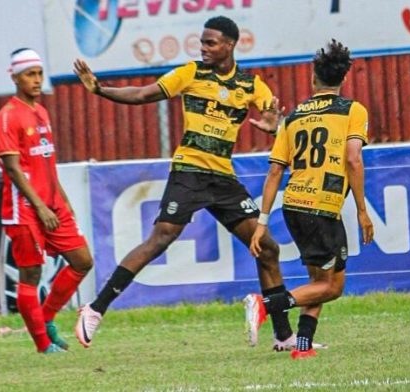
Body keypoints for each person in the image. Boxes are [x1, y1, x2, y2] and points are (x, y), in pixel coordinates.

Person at [73, 15, 296, 350]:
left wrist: (275, 125)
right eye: (202, 42)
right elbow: (143, 94)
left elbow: (276, 119)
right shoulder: (191, 73)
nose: (203, 48)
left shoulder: (251, 85)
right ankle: (95, 308)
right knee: (160, 239)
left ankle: (282, 335)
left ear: (230, 45)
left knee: (267, 248)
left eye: (211, 42)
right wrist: (100, 89)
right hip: (189, 172)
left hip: (223, 179)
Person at [244, 39, 374, 359]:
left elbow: (275, 172)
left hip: (294, 205)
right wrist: (361, 209)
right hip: (323, 207)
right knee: (332, 286)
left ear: (312, 77)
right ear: (343, 79)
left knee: (318, 279)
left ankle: (302, 347)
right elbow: (353, 159)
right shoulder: (353, 111)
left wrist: (261, 223)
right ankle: (265, 305)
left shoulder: (294, 117)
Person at [0, 48, 93, 354]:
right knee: (31, 274)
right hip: (24, 208)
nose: (36, 80)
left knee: (82, 260)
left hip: (51, 203)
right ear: (15, 77)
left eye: (38, 73)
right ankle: (42, 344)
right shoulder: (7, 117)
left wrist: (61, 198)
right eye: (29, 75)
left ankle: (46, 318)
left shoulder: (42, 112)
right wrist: (39, 206)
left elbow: (45, 161)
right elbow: (13, 168)